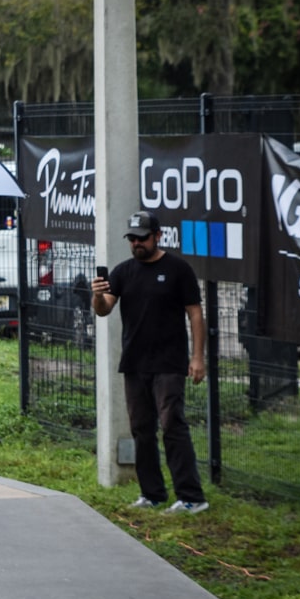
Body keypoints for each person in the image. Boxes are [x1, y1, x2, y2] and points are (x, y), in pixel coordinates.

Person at [91, 210, 209, 515]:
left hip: (169, 362)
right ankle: (152, 493)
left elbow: (195, 313)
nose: (136, 243)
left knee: (172, 424)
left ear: (158, 236)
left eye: (142, 238)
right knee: (141, 428)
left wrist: (197, 357)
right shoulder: (123, 272)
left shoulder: (178, 269)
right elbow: (104, 310)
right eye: (132, 239)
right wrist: (96, 296)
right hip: (134, 361)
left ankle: (192, 497)